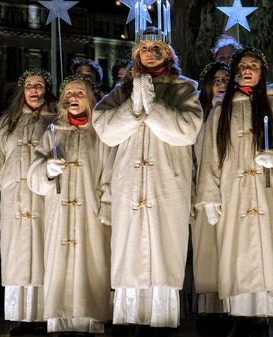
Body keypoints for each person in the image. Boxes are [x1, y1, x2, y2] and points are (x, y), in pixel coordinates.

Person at [92, 26, 203, 337]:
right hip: (129, 187)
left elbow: (186, 131)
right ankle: (128, 319)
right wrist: (133, 106)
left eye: (158, 47)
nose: (151, 53)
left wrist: (152, 106)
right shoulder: (120, 92)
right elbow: (106, 130)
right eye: (144, 47)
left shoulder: (185, 89)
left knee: (163, 251)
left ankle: (161, 322)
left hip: (166, 186)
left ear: (168, 53)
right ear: (135, 54)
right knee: (128, 253)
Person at [195, 47, 273, 337]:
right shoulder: (221, 109)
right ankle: (240, 316)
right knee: (236, 253)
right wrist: (208, 196)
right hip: (233, 194)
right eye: (242, 65)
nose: (247, 69)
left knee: (265, 250)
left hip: (267, 194)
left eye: (253, 65)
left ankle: (262, 317)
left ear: (261, 71)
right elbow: (208, 156)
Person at [0, 68, 57, 336]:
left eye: (39, 85)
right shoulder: (6, 122)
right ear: (22, 90)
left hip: (44, 197)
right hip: (13, 201)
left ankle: (46, 314)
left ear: (47, 89)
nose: (34, 90)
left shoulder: (56, 118)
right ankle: (23, 316)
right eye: (29, 85)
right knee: (17, 256)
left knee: (45, 254)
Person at [28, 75, 113, 337]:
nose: (73, 99)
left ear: (89, 99)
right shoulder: (52, 132)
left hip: (91, 215)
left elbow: (110, 173)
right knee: (59, 265)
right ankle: (60, 322)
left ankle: (90, 323)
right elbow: (34, 175)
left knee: (92, 265)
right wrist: (46, 170)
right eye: (68, 95)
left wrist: (107, 207)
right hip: (59, 214)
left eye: (79, 94)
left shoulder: (101, 134)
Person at [192, 61, 231, 335]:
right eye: (216, 80)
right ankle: (207, 308)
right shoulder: (198, 114)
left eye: (227, 79)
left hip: (230, 192)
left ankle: (229, 308)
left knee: (228, 251)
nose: (222, 84)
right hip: (201, 190)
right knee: (205, 252)